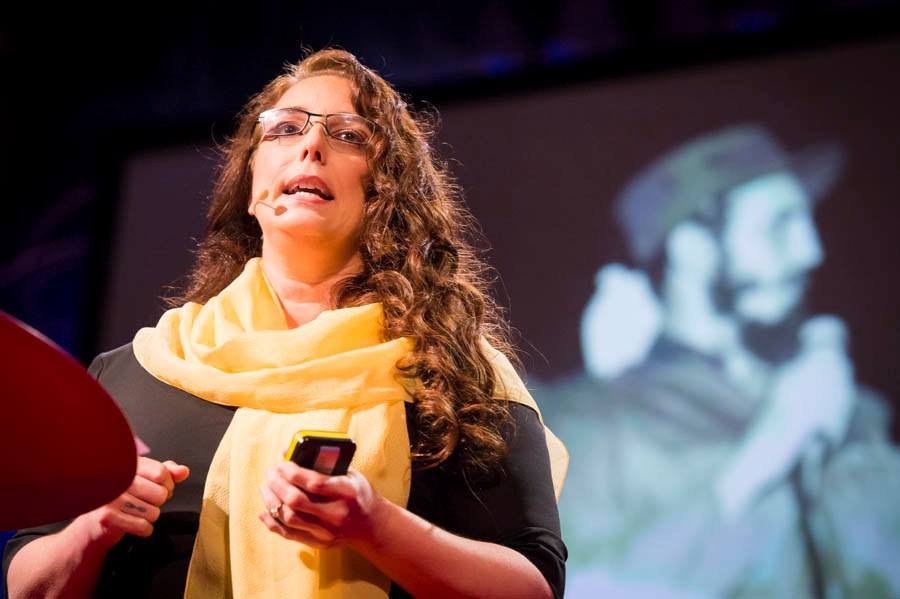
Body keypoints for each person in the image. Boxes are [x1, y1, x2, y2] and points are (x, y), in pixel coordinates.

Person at [3, 49, 568, 599]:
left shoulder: (455, 376)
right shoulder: (138, 372)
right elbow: (26, 586)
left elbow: (534, 586)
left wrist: (377, 529)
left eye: (349, 135)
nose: (311, 145)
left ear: (387, 193)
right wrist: (92, 527)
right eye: (285, 128)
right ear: (251, 186)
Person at [545, 125, 900, 597]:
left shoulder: (846, 409)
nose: (811, 251)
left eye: (807, 221)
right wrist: (774, 444)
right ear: (693, 248)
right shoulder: (590, 426)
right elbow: (594, 583)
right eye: (779, 225)